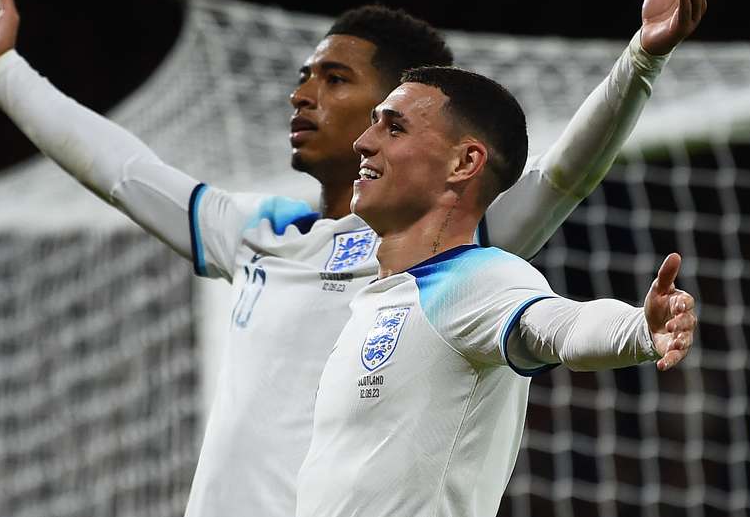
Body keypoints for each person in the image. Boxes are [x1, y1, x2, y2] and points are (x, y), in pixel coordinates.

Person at [0, 0, 706, 517]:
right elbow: (122, 170)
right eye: (301, 77)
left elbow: (566, 183)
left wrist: (641, 56)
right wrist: (4, 72)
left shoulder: (457, 252)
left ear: (402, 107)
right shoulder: (260, 230)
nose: (301, 96)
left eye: (333, 78)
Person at [296, 66, 697, 517]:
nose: (363, 142)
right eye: (374, 123)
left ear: (464, 163)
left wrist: (638, 329)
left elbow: (558, 326)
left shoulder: (476, 278)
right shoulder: (375, 302)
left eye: (394, 127)